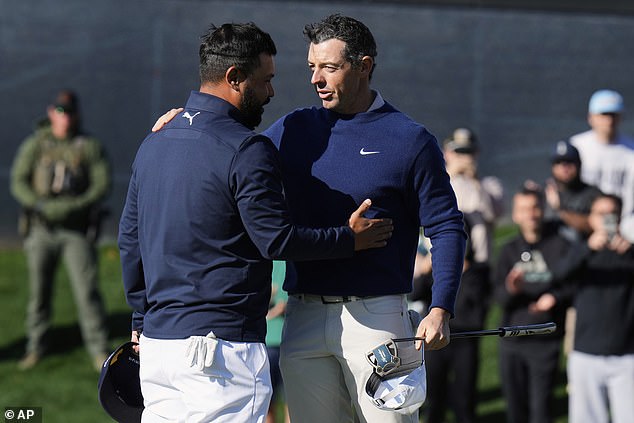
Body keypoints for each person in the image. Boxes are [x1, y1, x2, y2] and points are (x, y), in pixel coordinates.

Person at [152, 15, 466, 423]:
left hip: (377, 321)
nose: (316, 78)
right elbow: (228, 153)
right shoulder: (294, 128)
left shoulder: (411, 139)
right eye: (311, 67)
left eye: (329, 67)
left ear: (364, 66)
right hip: (301, 317)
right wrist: (188, 123)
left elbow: (446, 225)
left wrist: (441, 307)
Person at [118, 22, 393, 423]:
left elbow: (130, 240)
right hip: (220, 356)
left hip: (158, 349)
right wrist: (347, 240)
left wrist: (140, 319)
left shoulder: (155, 141)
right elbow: (275, 240)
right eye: (266, 80)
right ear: (234, 78)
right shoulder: (245, 147)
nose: (271, 92)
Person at [10, 89, 111, 371]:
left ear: (77, 114)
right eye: (60, 111)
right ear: (51, 112)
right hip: (41, 229)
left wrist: (74, 206)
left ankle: (98, 348)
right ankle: (35, 346)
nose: (64, 118)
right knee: (39, 293)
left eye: (69, 112)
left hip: (75, 231)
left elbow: (101, 184)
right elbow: (18, 180)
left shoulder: (88, 145)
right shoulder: (37, 144)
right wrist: (39, 205)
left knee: (87, 291)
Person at [493, 183, 574, 423]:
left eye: (535, 207)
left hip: (544, 340)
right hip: (512, 340)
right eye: (524, 209)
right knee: (515, 410)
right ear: (516, 214)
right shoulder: (508, 251)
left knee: (541, 410)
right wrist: (511, 288)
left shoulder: (560, 246)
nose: (531, 214)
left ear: (543, 210)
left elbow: (573, 284)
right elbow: (497, 297)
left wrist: (555, 297)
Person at [555, 194, 634, 423]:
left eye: (612, 214)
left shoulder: (629, 254)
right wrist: (587, 249)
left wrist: (628, 254)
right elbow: (558, 276)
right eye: (601, 214)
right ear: (590, 219)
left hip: (627, 354)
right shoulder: (581, 252)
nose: (606, 220)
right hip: (587, 353)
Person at [569, 89, 634, 241]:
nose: (608, 120)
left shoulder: (630, 150)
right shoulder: (576, 146)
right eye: (603, 114)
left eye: (613, 114)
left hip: (623, 223)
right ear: (591, 117)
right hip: (583, 220)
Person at [544, 140, 602, 242]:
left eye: (569, 162)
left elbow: (594, 226)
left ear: (579, 164)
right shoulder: (544, 192)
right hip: (550, 253)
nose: (564, 167)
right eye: (559, 162)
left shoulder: (593, 194)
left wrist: (560, 210)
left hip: (583, 253)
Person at [266, 261, 289, 423]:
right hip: (266, 343)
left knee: (293, 400)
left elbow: (283, 303)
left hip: (287, 342)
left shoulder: (287, 263)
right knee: (266, 402)